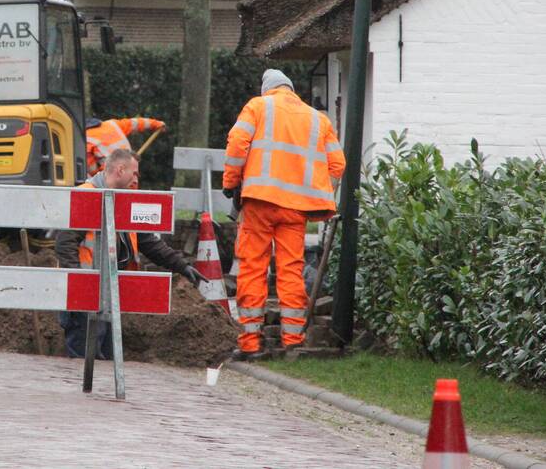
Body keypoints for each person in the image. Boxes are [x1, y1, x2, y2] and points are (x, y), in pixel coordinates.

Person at [222, 69, 345, 360]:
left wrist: (230, 183)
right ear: (291, 89)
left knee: (253, 267)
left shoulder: (258, 106)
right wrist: (315, 192)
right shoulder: (318, 119)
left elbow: (238, 145)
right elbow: (337, 164)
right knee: (291, 270)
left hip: (259, 203)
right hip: (296, 209)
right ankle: (293, 340)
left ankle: (250, 343)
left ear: (267, 89)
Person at [55, 148, 205, 358]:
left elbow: (149, 242)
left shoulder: (124, 201)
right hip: (85, 297)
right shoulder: (87, 194)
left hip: (108, 295)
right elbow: (65, 243)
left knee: (104, 362)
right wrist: (78, 283)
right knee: (83, 362)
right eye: (134, 173)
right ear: (120, 169)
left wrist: (182, 266)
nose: (136, 179)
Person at [85, 116, 165, 175]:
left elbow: (92, 168)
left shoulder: (86, 137)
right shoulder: (112, 124)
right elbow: (136, 123)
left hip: (112, 176)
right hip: (132, 170)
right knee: (130, 195)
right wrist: (156, 124)